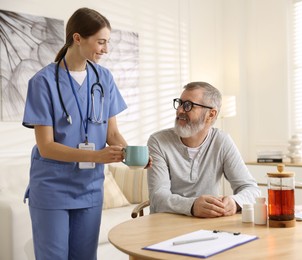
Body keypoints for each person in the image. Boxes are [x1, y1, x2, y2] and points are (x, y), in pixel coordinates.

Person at [22, 8, 130, 260]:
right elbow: (46, 146)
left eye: (107, 42)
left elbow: (112, 133)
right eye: (101, 42)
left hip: (90, 186)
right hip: (52, 188)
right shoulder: (43, 82)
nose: (105, 49)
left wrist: (131, 154)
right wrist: (98, 157)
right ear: (78, 38)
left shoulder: (103, 78)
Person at [147, 81, 261, 218]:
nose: (180, 110)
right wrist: (192, 206)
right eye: (180, 103)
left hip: (208, 226)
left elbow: (251, 188)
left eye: (188, 105)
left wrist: (235, 202)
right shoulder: (158, 141)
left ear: (211, 114)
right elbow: (158, 197)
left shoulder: (222, 141)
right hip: (166, 224)